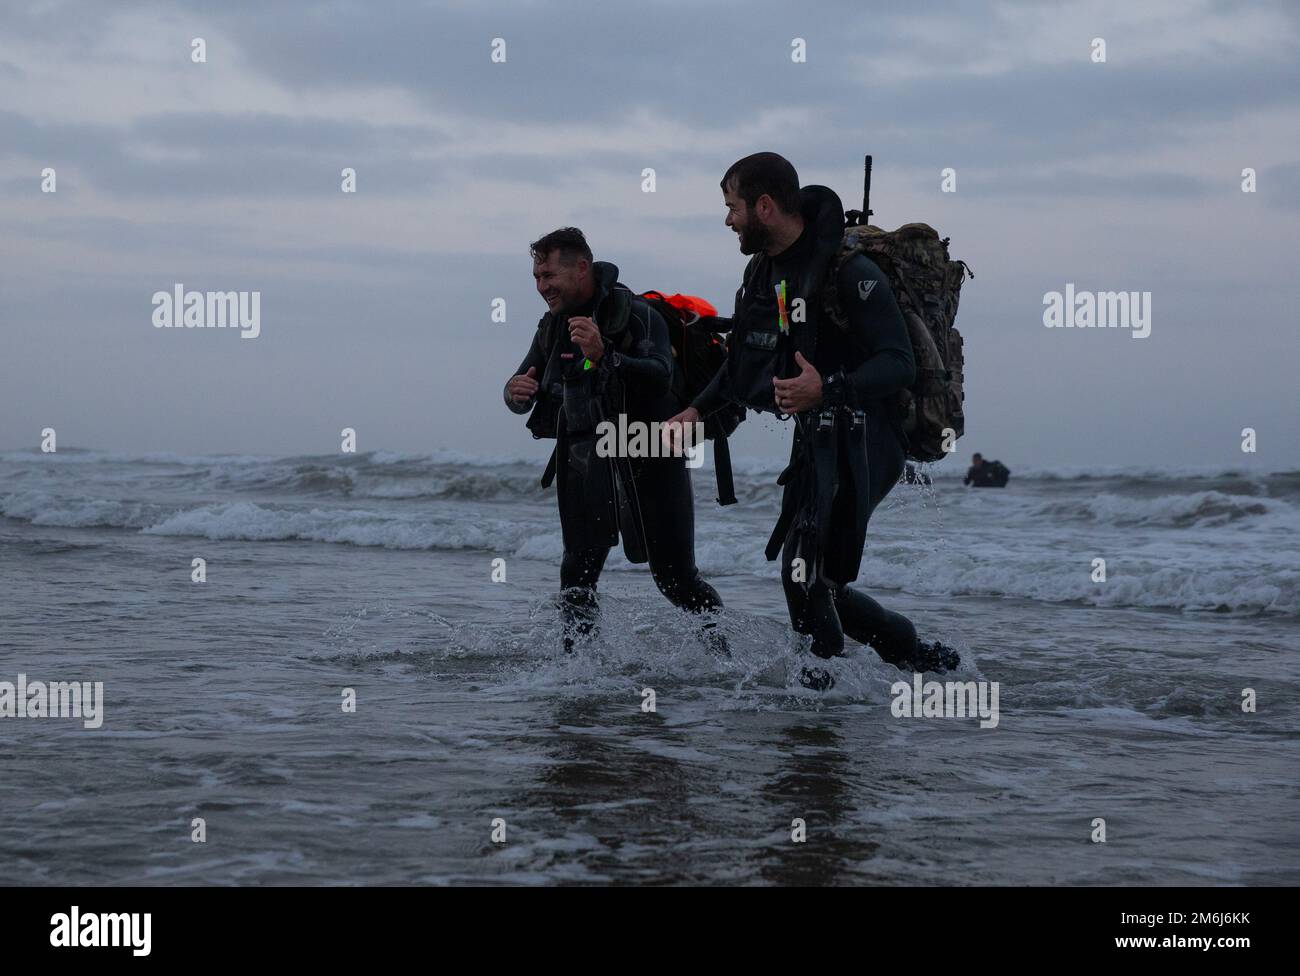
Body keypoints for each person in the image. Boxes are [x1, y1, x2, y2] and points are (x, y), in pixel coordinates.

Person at [666, 153, 957, 688]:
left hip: (872, 438)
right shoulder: (763, 271)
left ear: (766, 206)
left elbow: (900, 363)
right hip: (816, 442)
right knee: (822, 582)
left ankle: (818, 702)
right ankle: (917, 659)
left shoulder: (850, 271)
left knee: (804, 574)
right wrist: (694, 411)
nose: (728, 219)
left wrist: (828, 386)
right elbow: (742, 361)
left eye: (732, 207)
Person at [504, 227, 724, 652]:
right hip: (584, 456)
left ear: (582, 268)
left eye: (549, 275)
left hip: (647, 448)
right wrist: (513, 393)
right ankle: (577, 673)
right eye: (536, 277)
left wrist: (607, 355)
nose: (541, 286)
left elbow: (662, 373)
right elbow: (522, 388)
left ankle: (726, 661)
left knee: (676, 581)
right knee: (576, 575)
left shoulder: (638, 313)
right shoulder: (552, 326)